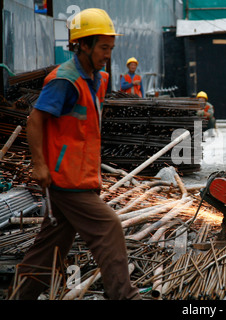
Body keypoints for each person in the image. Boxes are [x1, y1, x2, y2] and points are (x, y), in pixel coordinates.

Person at [14, 8, 141, 300]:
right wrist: (39, 165)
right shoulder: (65, 80)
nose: (107, 54)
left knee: (50, 247)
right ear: (83, 44)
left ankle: (20, 295)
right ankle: (126, 296)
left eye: (111, 48)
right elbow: (35, 120)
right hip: (65, 180)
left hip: (81, 178)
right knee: (108, 227)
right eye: (103, 47)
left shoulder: (97, 79)